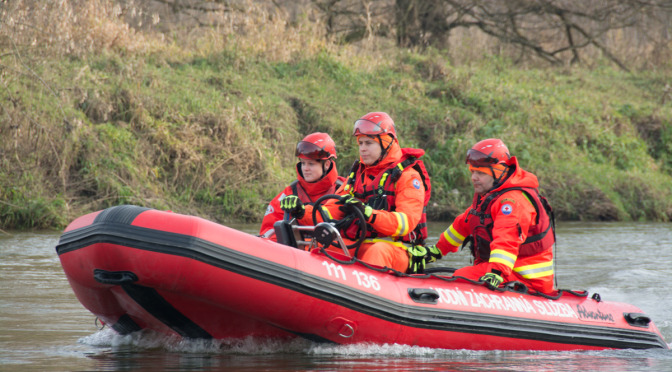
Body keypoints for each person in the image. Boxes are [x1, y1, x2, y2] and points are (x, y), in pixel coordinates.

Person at [281, 112, 431, 273]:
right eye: (360, 144)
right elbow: (329, 211)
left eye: (368, 143)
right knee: (322, 245)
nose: (363, 149)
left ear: (386, 142)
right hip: (362, 244)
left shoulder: (408, 176)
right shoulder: (357, 176)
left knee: (377, 251)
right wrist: (302, 211)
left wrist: (368, 213)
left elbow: (405, 224)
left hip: (397, 249)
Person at [408, 138, 556, 294]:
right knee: (461, 276)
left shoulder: (511, 202)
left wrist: (496, 272)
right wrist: (436, 251)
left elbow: (506, 240)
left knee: (461, 278)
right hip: (508, 273)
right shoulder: (489, 196)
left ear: (498, 172)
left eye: (480, 173)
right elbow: (464, 224)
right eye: (472, 171)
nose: (473, 177)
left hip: (528, 280)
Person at [259, 132, 344, 241]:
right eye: (303, 163)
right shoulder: (290, 193)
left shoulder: (343, 190)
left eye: (311, 164)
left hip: (331, 252)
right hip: (295, 253)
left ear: (326, 164)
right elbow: (269, 231)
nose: (305, 168)